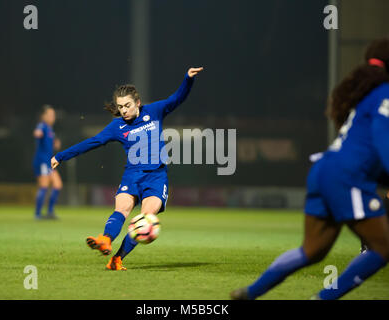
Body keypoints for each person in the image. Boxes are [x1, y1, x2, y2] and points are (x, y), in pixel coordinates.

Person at [231, 38, 389, 300]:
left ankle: (250, 292)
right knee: (383, 248)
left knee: (312, 251)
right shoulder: (384, 93)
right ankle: (323, 298)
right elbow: (383, 140)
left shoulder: (366, 96)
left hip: (324, 169)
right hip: (347, 176)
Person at [51, 67, 203, 270]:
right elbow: (93, 142)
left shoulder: (154, 111)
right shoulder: (117, 126)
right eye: (120, 106)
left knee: (145, 220)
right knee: (121, 209)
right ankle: (105, 239)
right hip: (132, 175)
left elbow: (177, 98)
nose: (123, 110)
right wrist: (61, 156)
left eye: (127, 105)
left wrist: (188, 79)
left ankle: (117, 259)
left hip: (156, 178)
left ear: (138, 103)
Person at [33, 105, 63, 220]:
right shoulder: (43, 125)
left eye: (53, 115)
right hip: (42, 161)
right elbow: (38, 132)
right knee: (44, 186)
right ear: (43, 116)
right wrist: (37, 132)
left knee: (57, 185)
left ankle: (50, 211)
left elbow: (49, 143)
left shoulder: (50, 129)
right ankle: (37, 214)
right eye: (50, 115)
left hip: (48, 162)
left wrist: (55, 144)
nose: (52, 117)